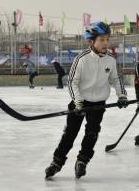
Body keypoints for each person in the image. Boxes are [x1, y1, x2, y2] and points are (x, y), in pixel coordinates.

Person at [45, 22, 128, 179]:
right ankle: (57, 162)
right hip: (79, 101)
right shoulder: (81, 59)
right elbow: (72, 82)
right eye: (101, 40)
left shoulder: (110, 60)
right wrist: (78, 101)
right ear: (91, 41)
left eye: (107, 39)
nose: (105, 43)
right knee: (70, 134)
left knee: (92, 133)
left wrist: (121, 95)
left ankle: (82, 161)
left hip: (98, 104)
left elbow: (116, 79)